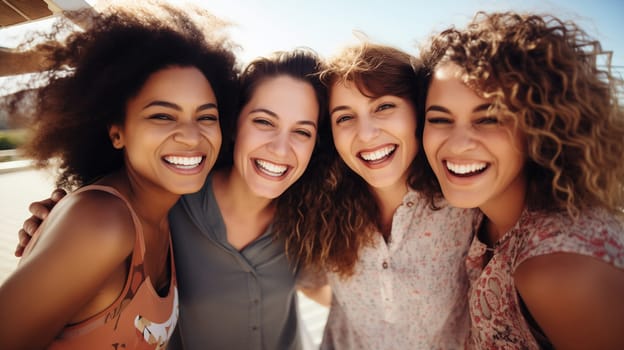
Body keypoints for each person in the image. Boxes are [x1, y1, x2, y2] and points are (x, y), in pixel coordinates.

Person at [14, 48, 329, 349]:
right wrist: (67, 222)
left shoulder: (311, 213)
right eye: (264, 122)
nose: (280, 148)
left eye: (302, 131)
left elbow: (322, 285)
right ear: (234, 125)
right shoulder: (171, 203)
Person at [0, 2, 238, 349]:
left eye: (206, 117)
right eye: (162, 116)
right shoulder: (103, 223)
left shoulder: (165, 215)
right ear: (117, 133)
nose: (191, 135)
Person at [420, 11, 624, 349]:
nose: (457, 144)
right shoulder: (482, 216)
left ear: (540, 127)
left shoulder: (560, 272)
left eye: (489, 120)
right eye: (440, 119)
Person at [276, 43, 478, 349]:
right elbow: (311, 283)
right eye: (345, 118)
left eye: (383, 107)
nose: (367, 133)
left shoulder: (464, 202)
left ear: (417, 110)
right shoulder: (321, 207)